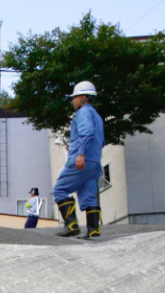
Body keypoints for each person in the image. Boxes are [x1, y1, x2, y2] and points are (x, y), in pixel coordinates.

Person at [53, 81, 105, 238]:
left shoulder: (82, 113)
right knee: (88, 196)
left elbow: (87, 133)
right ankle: (93, 230)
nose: (73, 101)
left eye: (75, 98)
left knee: (60, 189)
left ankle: (71, 226)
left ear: (83, 97)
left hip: (82, 161)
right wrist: (75, 147)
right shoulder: (96, 116)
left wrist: (80, 154)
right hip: (94, 162)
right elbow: (99, 140)